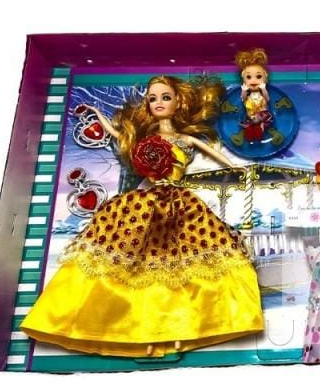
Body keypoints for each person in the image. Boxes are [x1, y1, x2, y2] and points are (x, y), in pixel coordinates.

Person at [21, 75, 264, 357]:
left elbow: (218, 156)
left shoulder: (185, 140)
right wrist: (96, 113)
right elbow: (115, 133)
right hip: (141, 208)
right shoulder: (143, 139)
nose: (159, 103)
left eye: (165, 97)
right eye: (152, 99)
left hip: (180, 206)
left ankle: (182, 328)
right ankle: (137, 329)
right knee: (136, 267)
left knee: (183, 268)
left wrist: (239, 168)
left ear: (178, 102)